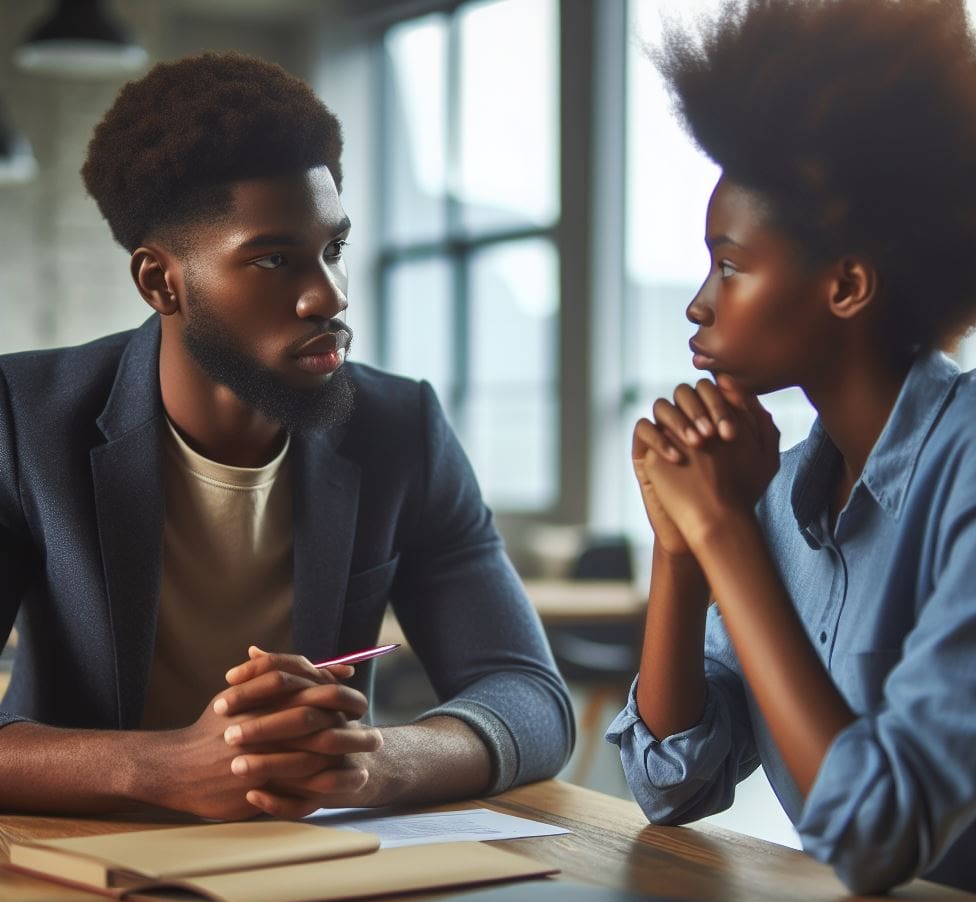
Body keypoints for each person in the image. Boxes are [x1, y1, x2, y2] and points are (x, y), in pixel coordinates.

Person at [0, 51, 573, 822]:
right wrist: (165, 768)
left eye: (333, 249)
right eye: (274, 259)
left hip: (305, 872)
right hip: (82, 880)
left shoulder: (400, 429)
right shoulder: (24, 420)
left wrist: (372, 763)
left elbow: (530, 695)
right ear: (160, 282)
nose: (327, 296)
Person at [607, 0, 976, 902]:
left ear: (846, 286)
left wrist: (722, 530)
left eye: (730, 263)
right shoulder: (779, 480)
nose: (698, 302)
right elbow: (672, 786)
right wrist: (681, 546)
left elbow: (879, 835)